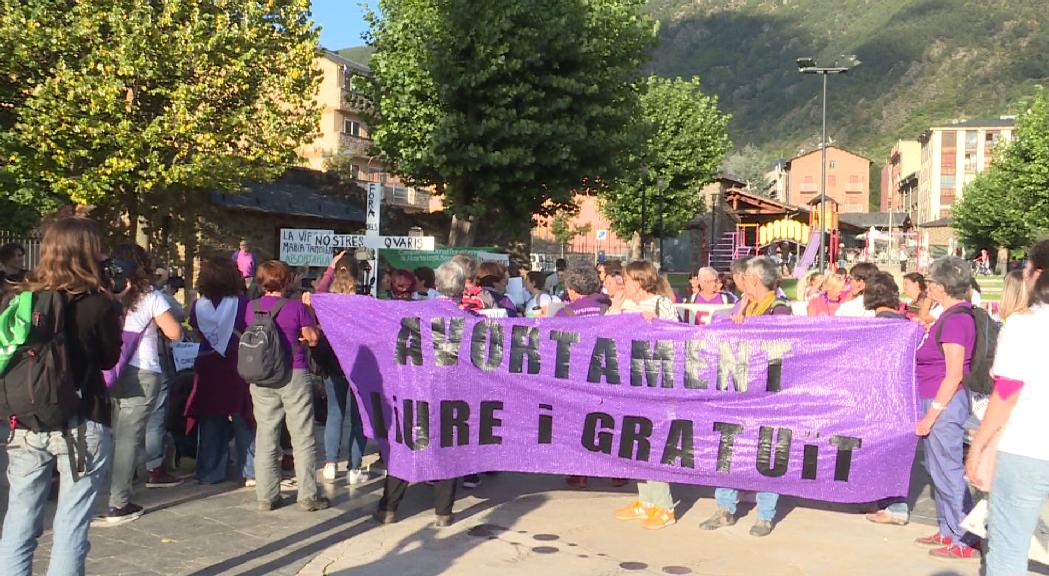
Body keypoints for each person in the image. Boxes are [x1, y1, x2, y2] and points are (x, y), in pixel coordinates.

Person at [0, 217, 123, 576]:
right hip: (83, 419)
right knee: (71, 525)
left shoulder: (19, 296)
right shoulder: (98, 305)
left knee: (19, 520)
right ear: (89, 253)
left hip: (26, 419)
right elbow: (107, 359)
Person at [967, 240, 1049, 574]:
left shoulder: (1025, 324)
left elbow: (1007, 393)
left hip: (1026, 448)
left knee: (1007, 549)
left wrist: (980, 446)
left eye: (1027, 267)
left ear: (1038, 275)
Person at [702, 256, 790, 538]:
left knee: (767, 450)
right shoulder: (745, 305)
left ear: (755, 279)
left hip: (766, 395)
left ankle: (765, 515)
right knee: (727, 448)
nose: (743, 282)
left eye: (747, 277)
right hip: (738, 390)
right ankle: (724, 508)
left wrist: (748, 329)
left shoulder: (779, 310)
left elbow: (783, 347)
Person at [373, 260, 463, 528]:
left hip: (416, 387)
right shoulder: (466, 319)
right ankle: (443, 512)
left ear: (437, 285)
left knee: (407, 443)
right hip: (452, 390)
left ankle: (389, 508)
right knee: (448, 445)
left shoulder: (419, 313)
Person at [100, 244, 185, 524]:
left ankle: (116, 490)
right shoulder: (150, 296)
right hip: (143, 371)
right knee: (129, 438)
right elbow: (174, 333)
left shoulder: (108, 293)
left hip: (112, 369)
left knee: (117, 435)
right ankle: (119, 502)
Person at [911, 256, 980, 559]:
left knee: (949, 471)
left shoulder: (955, 320)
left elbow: (953, 374)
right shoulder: (950, 315)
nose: (927, 288)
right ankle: (948, 530)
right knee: (938, 470)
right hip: (939, 399)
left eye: (930, 284)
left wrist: (931, 415)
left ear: (940, 287)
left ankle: (964, 538)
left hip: (944, 402)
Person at [247, 260, 328, 512]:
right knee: (302, 436)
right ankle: (307, 496)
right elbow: (313, 339)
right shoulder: (296, 308)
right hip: (293, 372)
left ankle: (266, 496)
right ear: (286, 280)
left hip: (261, 375)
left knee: (266, 435)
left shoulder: (252, 307)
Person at [609, 260, 679, 530]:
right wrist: (616, 308)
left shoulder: (662, 305)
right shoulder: (623, 306)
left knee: (652, 441)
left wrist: (654, 326)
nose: (620, 285)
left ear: (639, 281)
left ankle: (663, 506)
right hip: (627, 383)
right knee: (633, 439)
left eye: (624, 280)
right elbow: (604, 334)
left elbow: (677, 339)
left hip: (653, 383)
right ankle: (646, 500)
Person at [186, 256, 255, 485]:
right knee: (243, 415)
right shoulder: (243, 303)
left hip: (208, 365)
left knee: (210, 418)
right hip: (236, 363)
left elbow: (196, 332)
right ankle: (251, 470)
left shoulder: (198, 306)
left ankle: (210, 471)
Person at [312, 253, 368, 485]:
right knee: (359, 418)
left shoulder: (326, 300)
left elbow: (318, 292)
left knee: (335, 413)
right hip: (359, 365)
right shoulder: (365, 301)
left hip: (333, 363)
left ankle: (330, 464)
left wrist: (330, 269)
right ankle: (355, 468)